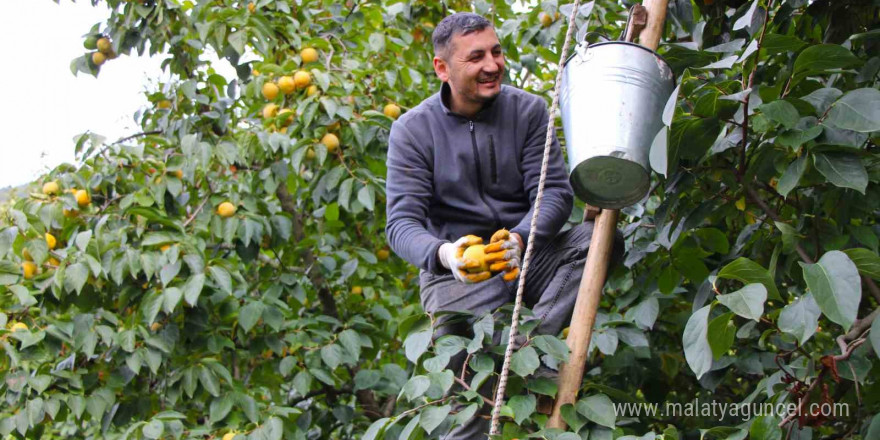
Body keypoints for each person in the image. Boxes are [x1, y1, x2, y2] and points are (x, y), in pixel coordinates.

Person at [384, 12, 622, 439]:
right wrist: (445, 254)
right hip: (460, 276)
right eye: (476, 57)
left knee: (597, 242)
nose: (493, 64)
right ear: (443, 67)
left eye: (496, 51)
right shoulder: (413, 131)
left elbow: (552, 192)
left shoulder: (528, 110)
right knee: (470, 413)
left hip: (527, 257)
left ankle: (526, 348)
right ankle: (500, 377)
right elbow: (402, 223)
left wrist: (522, 238)